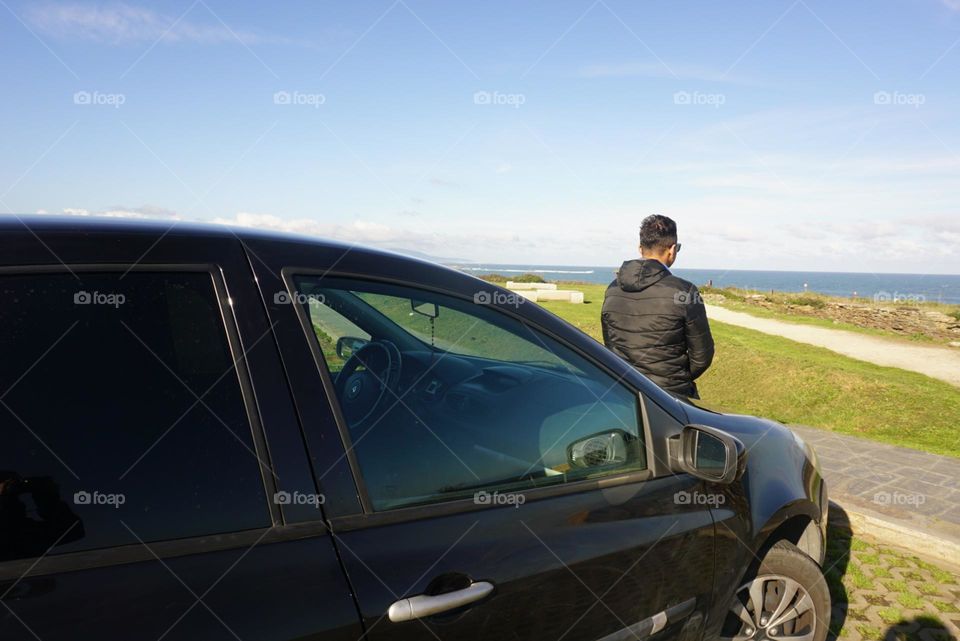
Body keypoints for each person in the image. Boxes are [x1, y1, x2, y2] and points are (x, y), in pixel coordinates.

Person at [601, 214, 714, 398]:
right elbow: (702, 356)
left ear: (640, 248)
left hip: (626, 393)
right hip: (672, 396)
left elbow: (610, 344)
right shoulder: (685, 291)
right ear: (672, 250)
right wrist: (675, 378)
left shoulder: (612, 289)